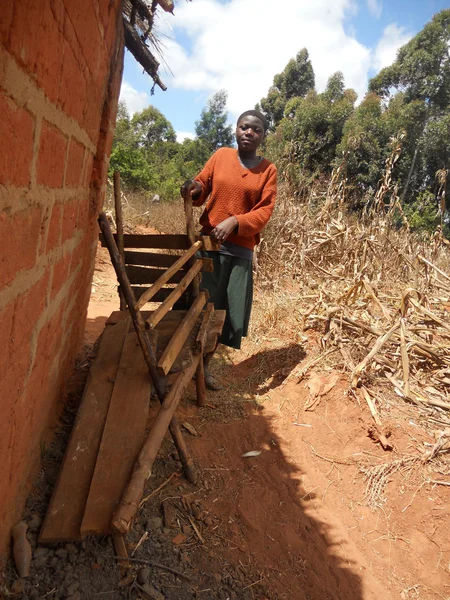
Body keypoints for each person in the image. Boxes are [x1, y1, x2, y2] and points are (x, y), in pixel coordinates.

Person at [180, 110, 277, 389]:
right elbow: (202, 186)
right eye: (244, 127)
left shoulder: (268, 170)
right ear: (236, 130)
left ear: (262, 136)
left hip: (239, 254)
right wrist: (193, 188)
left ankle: (204, 368)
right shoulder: (221, 156)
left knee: (223, 313)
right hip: (208, 248)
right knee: (197, 305)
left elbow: (264, 213)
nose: (249, 132)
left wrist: (235, 222)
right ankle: (182, 362)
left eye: (255, 129)